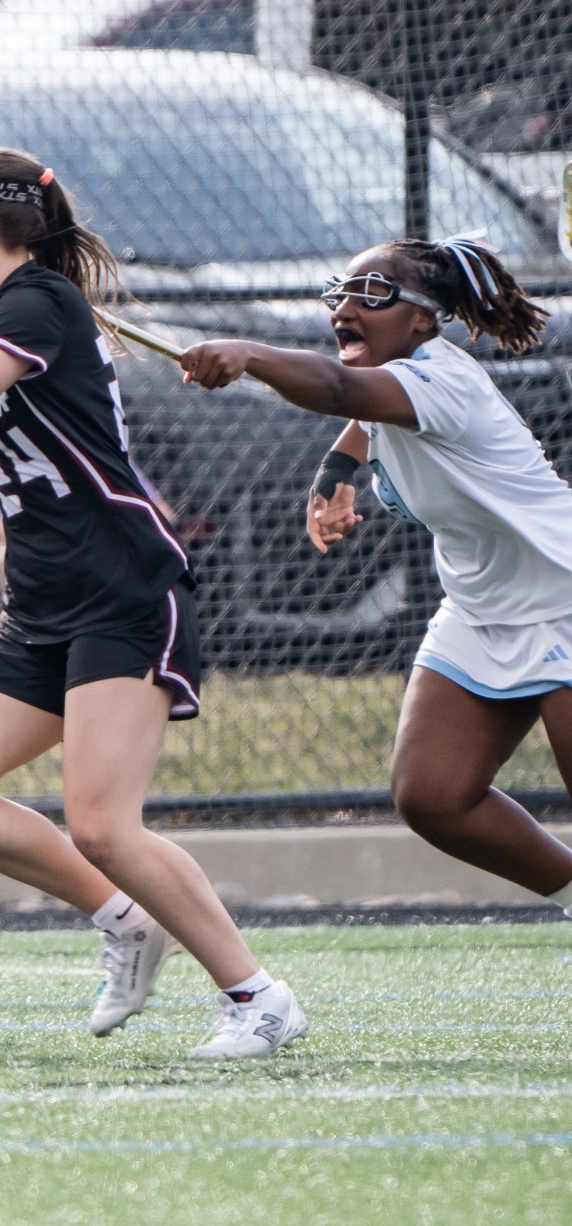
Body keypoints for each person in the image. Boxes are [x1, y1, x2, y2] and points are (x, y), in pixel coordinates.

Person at [0, 146, 306, 1059]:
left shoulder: (39, 300)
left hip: (121, 587)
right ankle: (125, 920)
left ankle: (258, 996)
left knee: (104, 824)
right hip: (42, 600)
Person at [179, 235, 572, 918]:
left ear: (423, 318)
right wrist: (337, 473)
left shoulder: (440, 380)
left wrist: (249, 354)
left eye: (372, 295)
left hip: (562, 595)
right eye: (341, 294)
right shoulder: (400, 375)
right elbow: (360, 413)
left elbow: (338, 389)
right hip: (480, 608)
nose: (346, 308)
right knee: (432, 796)